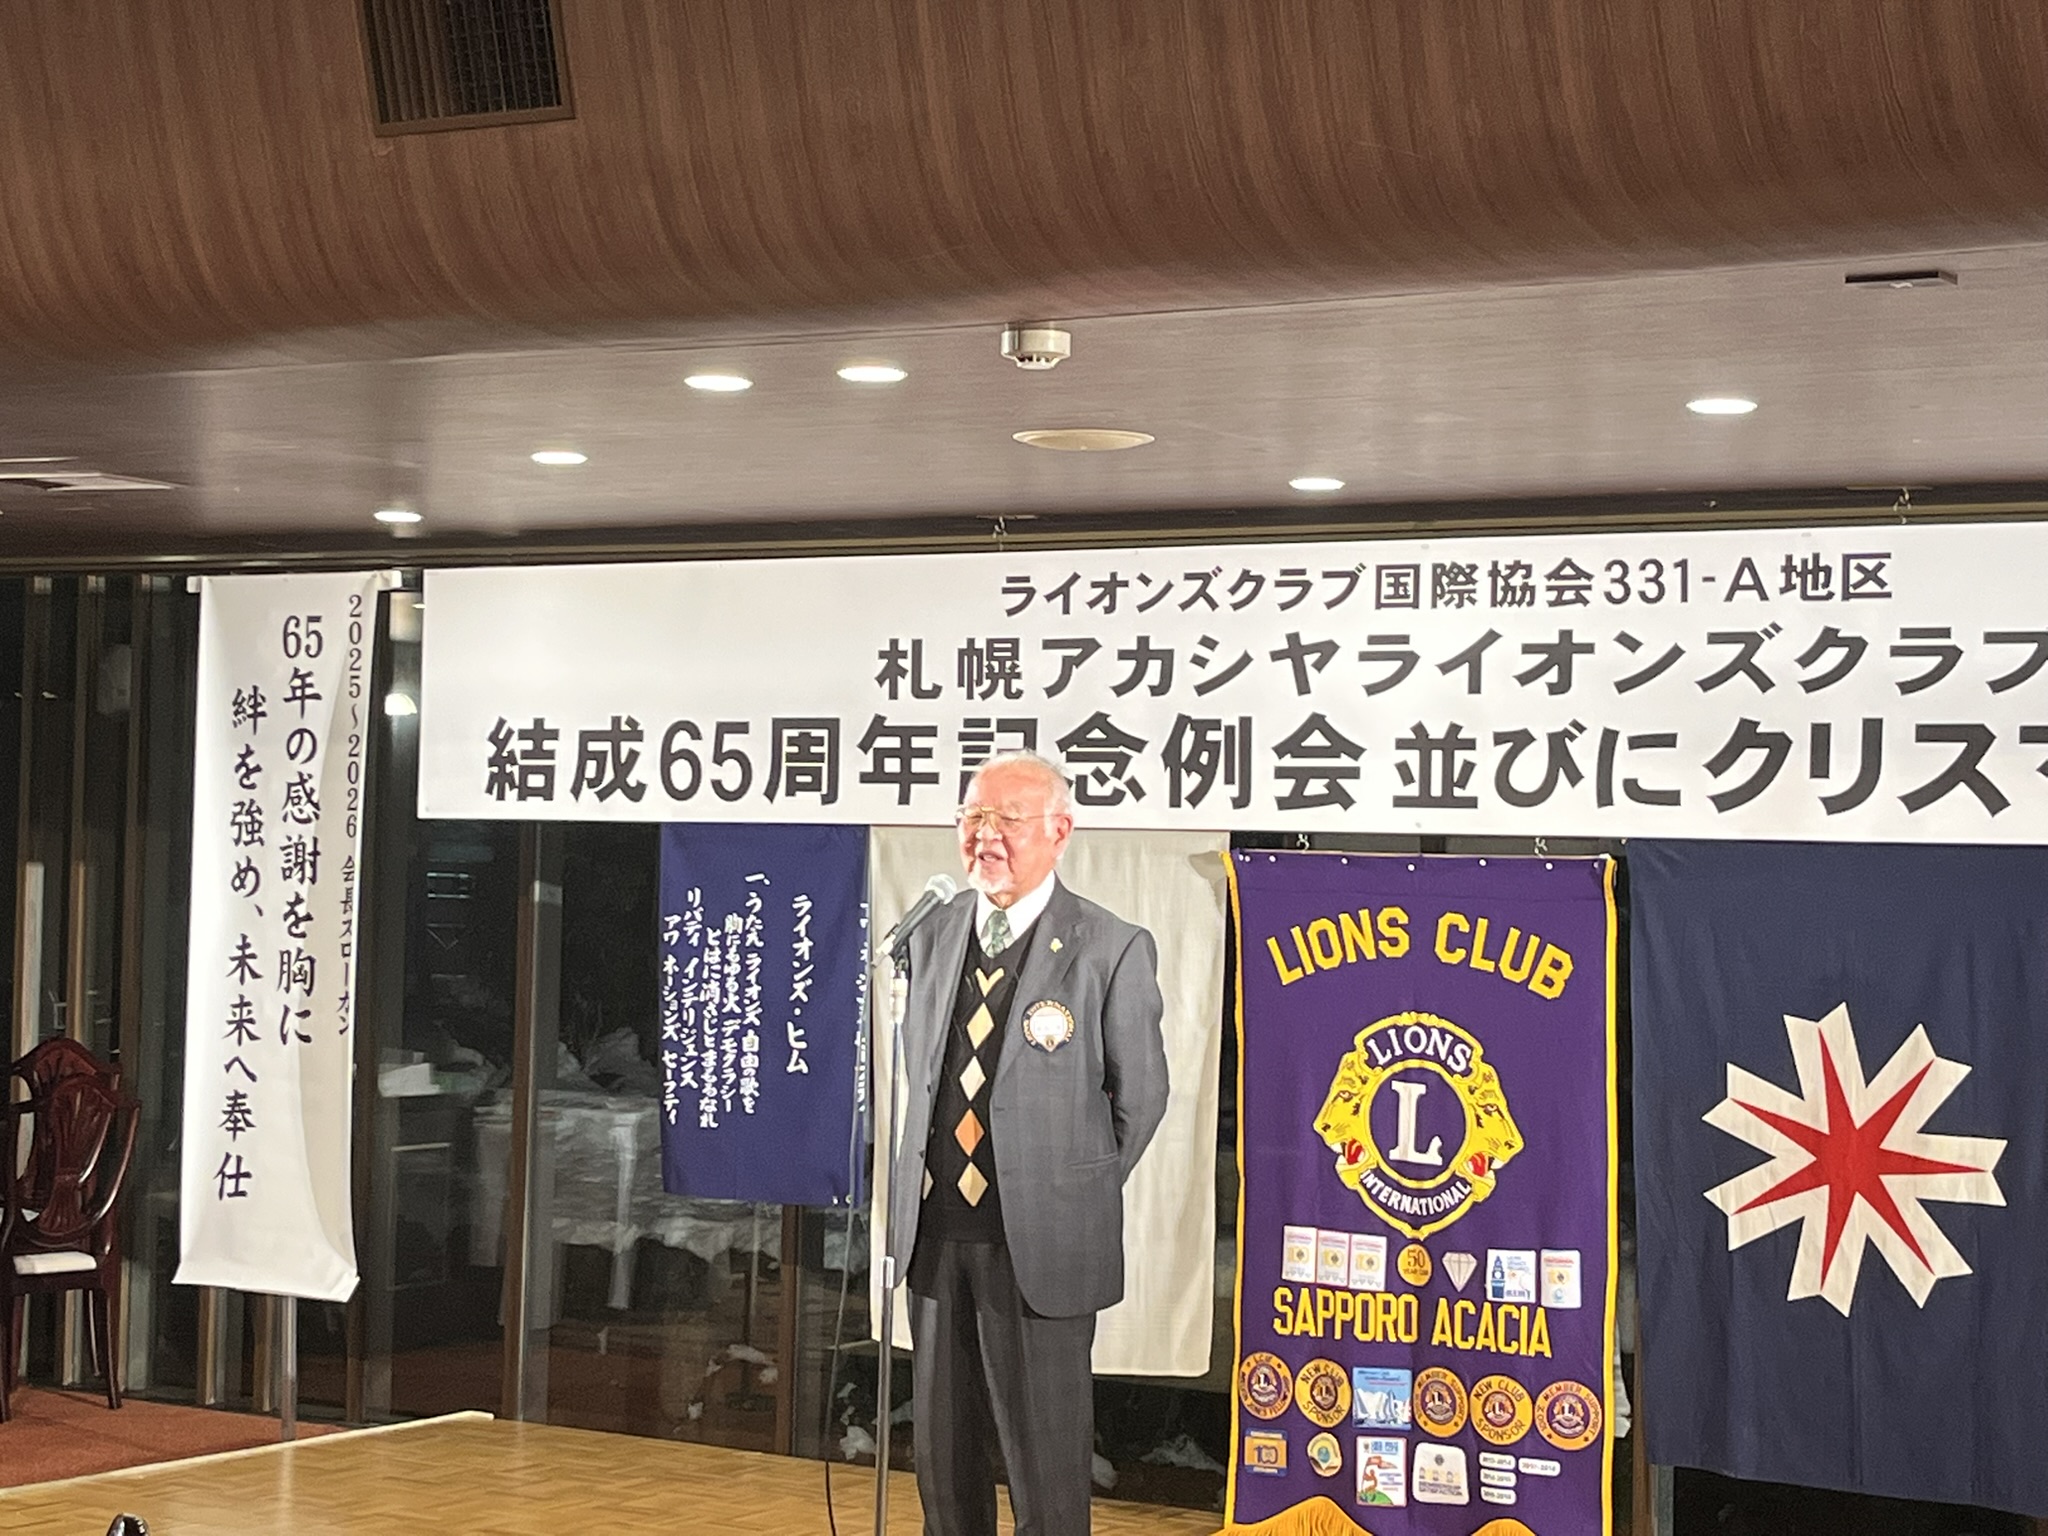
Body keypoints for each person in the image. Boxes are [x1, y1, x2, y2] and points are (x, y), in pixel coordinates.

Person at [887, 750, 1169, 1536]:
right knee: (944, 1462)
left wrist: (1062, 1186)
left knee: (1044, 1471)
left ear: (1059, 831)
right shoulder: (933, 932)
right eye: (973, 817)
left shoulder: (1108, 945)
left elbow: (1140, 1099)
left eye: (1007, 819)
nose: (985, 835)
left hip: (1041, 1246)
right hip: (936, 1236)